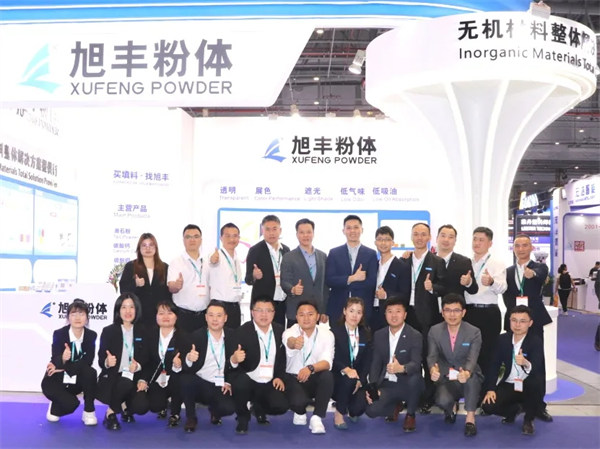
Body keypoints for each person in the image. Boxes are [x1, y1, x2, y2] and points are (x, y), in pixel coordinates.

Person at [503, 234, 552, 423]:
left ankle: (539, 406)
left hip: (533, 323)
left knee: (536, 364)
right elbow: (506, 294)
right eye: (517, 245)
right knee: (513, 362)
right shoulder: (508, 271)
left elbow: (540, 276)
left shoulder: (540, 267)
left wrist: (532, 274)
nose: (521, 249)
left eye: (525, 245)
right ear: (513, 248)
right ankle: (516, 404)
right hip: (514, 322)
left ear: (531, 248)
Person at [482, 305, 547, 435]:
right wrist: (490, 389)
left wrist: (526, 363)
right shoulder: (502, 339)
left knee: (534, 384)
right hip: (509, 383)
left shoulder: (535, 341)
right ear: (509, 321)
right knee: (488, 406)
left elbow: (537, 368)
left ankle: (528, 419)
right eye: (514, 320)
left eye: (522, 321)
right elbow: (494, 365)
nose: (517, 325)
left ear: (530, 323)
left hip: (528, 384)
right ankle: (514, 410)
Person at [228, 296, 289, 434]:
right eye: (259, 310)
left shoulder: (280, 331)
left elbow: (282, 359)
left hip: (269, 380)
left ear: (274, 313)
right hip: (249, 378)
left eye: (268, 310)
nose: (264, 314)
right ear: (252, 312)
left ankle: (258, 408)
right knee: (240, 382)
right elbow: (229, 363)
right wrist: (234, 359)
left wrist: (279, 377)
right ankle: (242, 417)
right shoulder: (242, 332)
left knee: (281, 406)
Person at [404, 222, 446, 413]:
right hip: (406, 315)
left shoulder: (437, 262)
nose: (419, 238)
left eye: (423, 234)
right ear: (411, 237)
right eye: (416, 234)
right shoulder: (404, 260)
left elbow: (445, 287)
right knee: (408, 357)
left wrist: (433, 288)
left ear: (429, 237)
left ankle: (428, 398)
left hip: (428, 316)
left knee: (428, 357)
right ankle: (409, 395)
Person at [365, 298, 424, 433]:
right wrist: (373, 388)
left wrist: (401, 368)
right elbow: (375, 363)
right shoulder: (379, 334)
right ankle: (394, 406)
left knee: (415, 379)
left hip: (407, 383)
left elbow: (416, 364)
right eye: (390, 311)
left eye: (398, 311)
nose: (394, 315)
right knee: (371, 411)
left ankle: (410, 415)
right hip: (387, 384)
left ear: (405, 314)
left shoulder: (415, 335)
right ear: (385, 314)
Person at [427, 293, 483, 437]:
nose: (452, 315)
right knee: (442, 400)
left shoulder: (474, 332)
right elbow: (432, 356)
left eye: (456, 310)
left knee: (472, 379)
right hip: (446, 376)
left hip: (467, 374)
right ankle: (451, 406)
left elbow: (472, 358)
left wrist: (467, 372)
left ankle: (470, 419)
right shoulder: (434, 331)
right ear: (442, 312)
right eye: (448, 310)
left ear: (463, 312)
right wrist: (433, 369)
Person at [180, 300, 236, 432]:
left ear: (225, 318)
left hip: (222, 384)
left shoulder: (233, 336)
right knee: (185, 379)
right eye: (211, 315)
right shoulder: (196, 336)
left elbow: (237, 365)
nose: (215, 319)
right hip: (201, 383)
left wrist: (229, 381)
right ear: (206, 317)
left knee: (228, 408)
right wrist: (189, 359)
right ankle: (191, 417)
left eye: (219, 315)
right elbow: (185, 366)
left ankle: (215, 411)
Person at [97, 292, 150, 430]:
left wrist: (139, 368)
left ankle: (125, 406)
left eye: (131, 307)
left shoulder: (144, 331)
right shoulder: (109, 331)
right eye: (124, 307)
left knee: (142, 406)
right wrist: (107, 362)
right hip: (113, 378)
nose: (128, 311)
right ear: (118, 310)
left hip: (134, 377)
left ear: (137, 309)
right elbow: (101, 359)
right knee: (124, 382)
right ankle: (110, 413)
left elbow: (148, 359)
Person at [42, 299, 98, 425]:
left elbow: (88, 361)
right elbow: (54, 358)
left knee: (90, 372)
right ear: (68, 318)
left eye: (81, 314)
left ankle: (89, 411)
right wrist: (62, 358)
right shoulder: (59, 334)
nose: (77, 318)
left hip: (75, 377)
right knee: (65, 409)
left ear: (87, 318)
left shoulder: (91, 335)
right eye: (73, 314)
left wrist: (64, 367)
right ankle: (55, 402)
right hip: (57, 378)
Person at [283, 300, 335, 434]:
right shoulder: (290, 331)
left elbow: (327, 362)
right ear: (296, 317)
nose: (306, 318)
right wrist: (295, 343)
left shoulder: (327, 334)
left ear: (317, 316)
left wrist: (310, 368)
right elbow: (289, 341)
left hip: (314, 376)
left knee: (327, 376)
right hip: (294, 378)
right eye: (301, 314)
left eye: (310, 314)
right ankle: (300, 411)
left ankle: (317, 417)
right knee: (298, 403)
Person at [463, 226, 507, 382]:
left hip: (488, 313)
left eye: (481, 240)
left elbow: (503, 287)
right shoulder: (466, 262)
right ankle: (470, 389)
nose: (477, 243)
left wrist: (491, 281)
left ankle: (487, 391)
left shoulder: (496, 263)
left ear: (490, 243)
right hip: (468, 312)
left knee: (488, 354)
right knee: (468, 353)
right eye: (475, 239)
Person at [140, 301, 187, 427]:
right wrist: (143, 379)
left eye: (170, 313)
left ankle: (175, 413)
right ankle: (163, 406)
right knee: (155, 405)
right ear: (156, 316)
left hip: (176, 377)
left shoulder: (184, 337)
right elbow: (146, 362)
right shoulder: (150, 336)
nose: (165, 316)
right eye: (161, 313)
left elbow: (189, 365)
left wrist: (179, 365)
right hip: (158, 378)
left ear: (176, 316)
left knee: (180, 380)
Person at [325, 214, 378, 324]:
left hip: (362, 309)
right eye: (349, 228)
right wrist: (352, 278)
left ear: (362, 230)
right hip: (338, 308)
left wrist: (345, 283)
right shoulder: (334, 253)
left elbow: (371, 282)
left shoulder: (371, 254)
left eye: (356, 227)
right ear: (343, 231)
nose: (352, 231)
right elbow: (329, 280)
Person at [331, 297, 372, 430]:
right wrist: (345, 369)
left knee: (358, 409)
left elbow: (367, 361)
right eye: (351, 311)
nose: (354, 315)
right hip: (338, 378)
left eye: (359, 312)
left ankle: (350, 407)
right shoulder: (334, 332)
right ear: (344, 311)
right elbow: (331, 358)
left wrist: (361, 380)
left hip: (357, 380)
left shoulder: (366, 333)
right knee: (349, 379)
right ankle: (339, 413)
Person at [281, 218, 329, 327]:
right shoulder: (289, 257)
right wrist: (293, 289)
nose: (305, 235)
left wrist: (324, 310)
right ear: (297, 234)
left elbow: (325, 286)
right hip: (296, 311)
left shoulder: (322, 256)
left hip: (315, 312)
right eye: (302, 232)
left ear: (313, 233)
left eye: (308, 232)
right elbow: (284, 281)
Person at [245, 215, 291, 326]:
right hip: (263, 304)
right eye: (267, 229)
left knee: (279, 332)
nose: (271, 233)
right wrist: (254, 276)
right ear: (262, 231)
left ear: (280, 230)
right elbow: (248, 279)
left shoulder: (286, 250)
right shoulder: (255, 250)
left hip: (282, 302)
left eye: (274, 229)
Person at [120, 233, 172, 328]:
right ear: (139, 248)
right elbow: (123, 290)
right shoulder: (131, 266)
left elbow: (168, 294)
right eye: (144, 245)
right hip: (138, 316)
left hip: (159, 317)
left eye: (151, 245)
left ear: (156, 248)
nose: (148, 248)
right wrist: (135, 284)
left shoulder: (165, 267)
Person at [167, 225, 209, 333]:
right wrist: (176, 286)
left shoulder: (207, 262)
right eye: (188, 237)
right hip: (183, 316)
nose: (192, 240)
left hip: (204, 316)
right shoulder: (176, 262)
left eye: (196, 236)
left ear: (201, 240)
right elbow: (171, 287)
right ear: (183, 240)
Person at [372, 226, 410, 331]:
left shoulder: (402, 266)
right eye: (380, 239)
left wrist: (386, 295)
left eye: (387, 239)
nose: (383, 243)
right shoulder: (373, 265)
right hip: (372, 313)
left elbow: (404, 294)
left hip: (390, 315)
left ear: (393, 243)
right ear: (375, 242)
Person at [208, 223, 244, 328]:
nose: (231, 239)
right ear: (221, 238)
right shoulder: (216, 255)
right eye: (227, 236)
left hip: (235, 305)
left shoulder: (236, 258)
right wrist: (212, 260)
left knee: (234, 335)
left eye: (235, 236)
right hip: (219, 306)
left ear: (239, 238)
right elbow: (211, 262)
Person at [435, 225, 478, 299]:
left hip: (454, 305)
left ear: (455, 241)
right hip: (430, 305)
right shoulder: (428, 259)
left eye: (450, 237)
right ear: (437, 238)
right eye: (443, 236)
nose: (446, 239)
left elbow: (474, 290)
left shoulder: (463, 262)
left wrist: (468, 282)